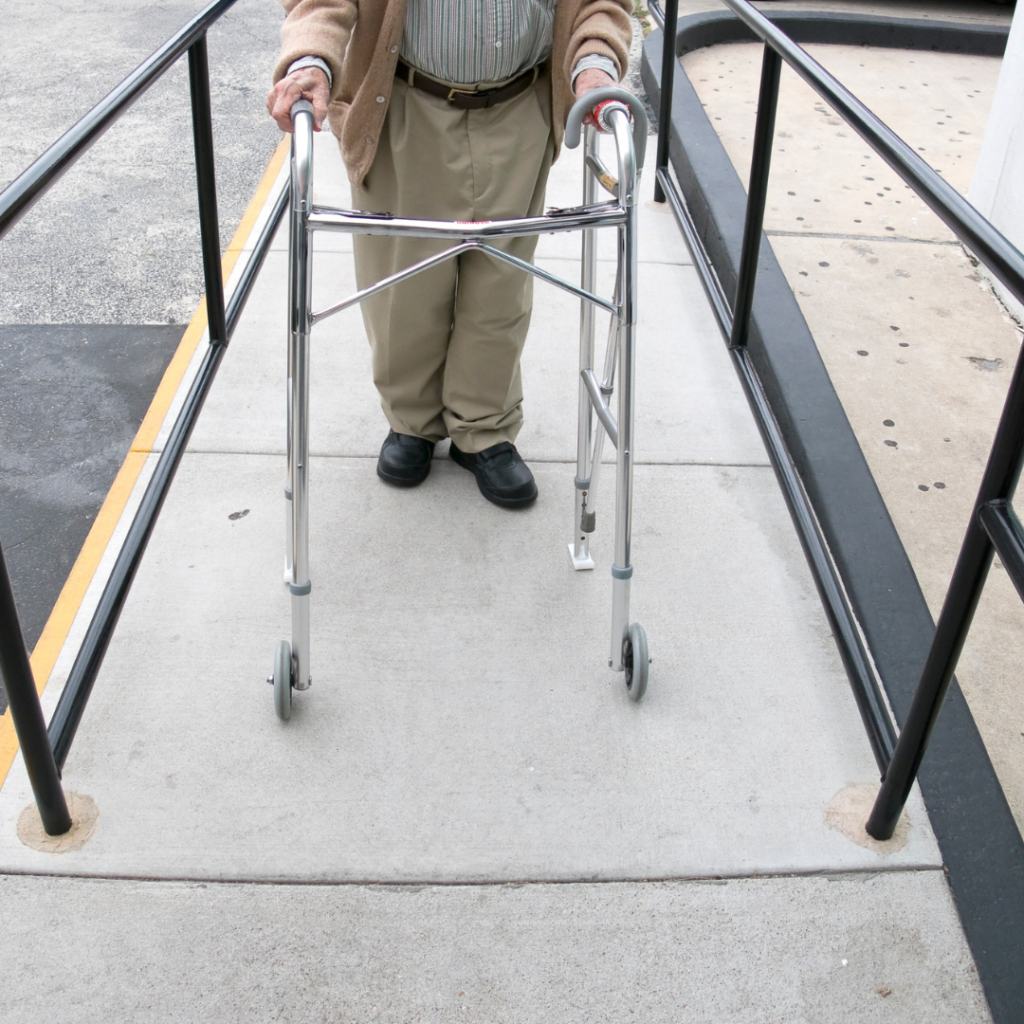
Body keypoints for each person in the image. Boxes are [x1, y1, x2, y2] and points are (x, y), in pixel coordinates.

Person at [267, 0, 632, 508]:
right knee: (403, 289)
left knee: (500, 290)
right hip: (405, 103)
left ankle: (483, 428)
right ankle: (411, 423)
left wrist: (594, 60)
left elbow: (599, 5)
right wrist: (311, 59)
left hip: (520, 108)